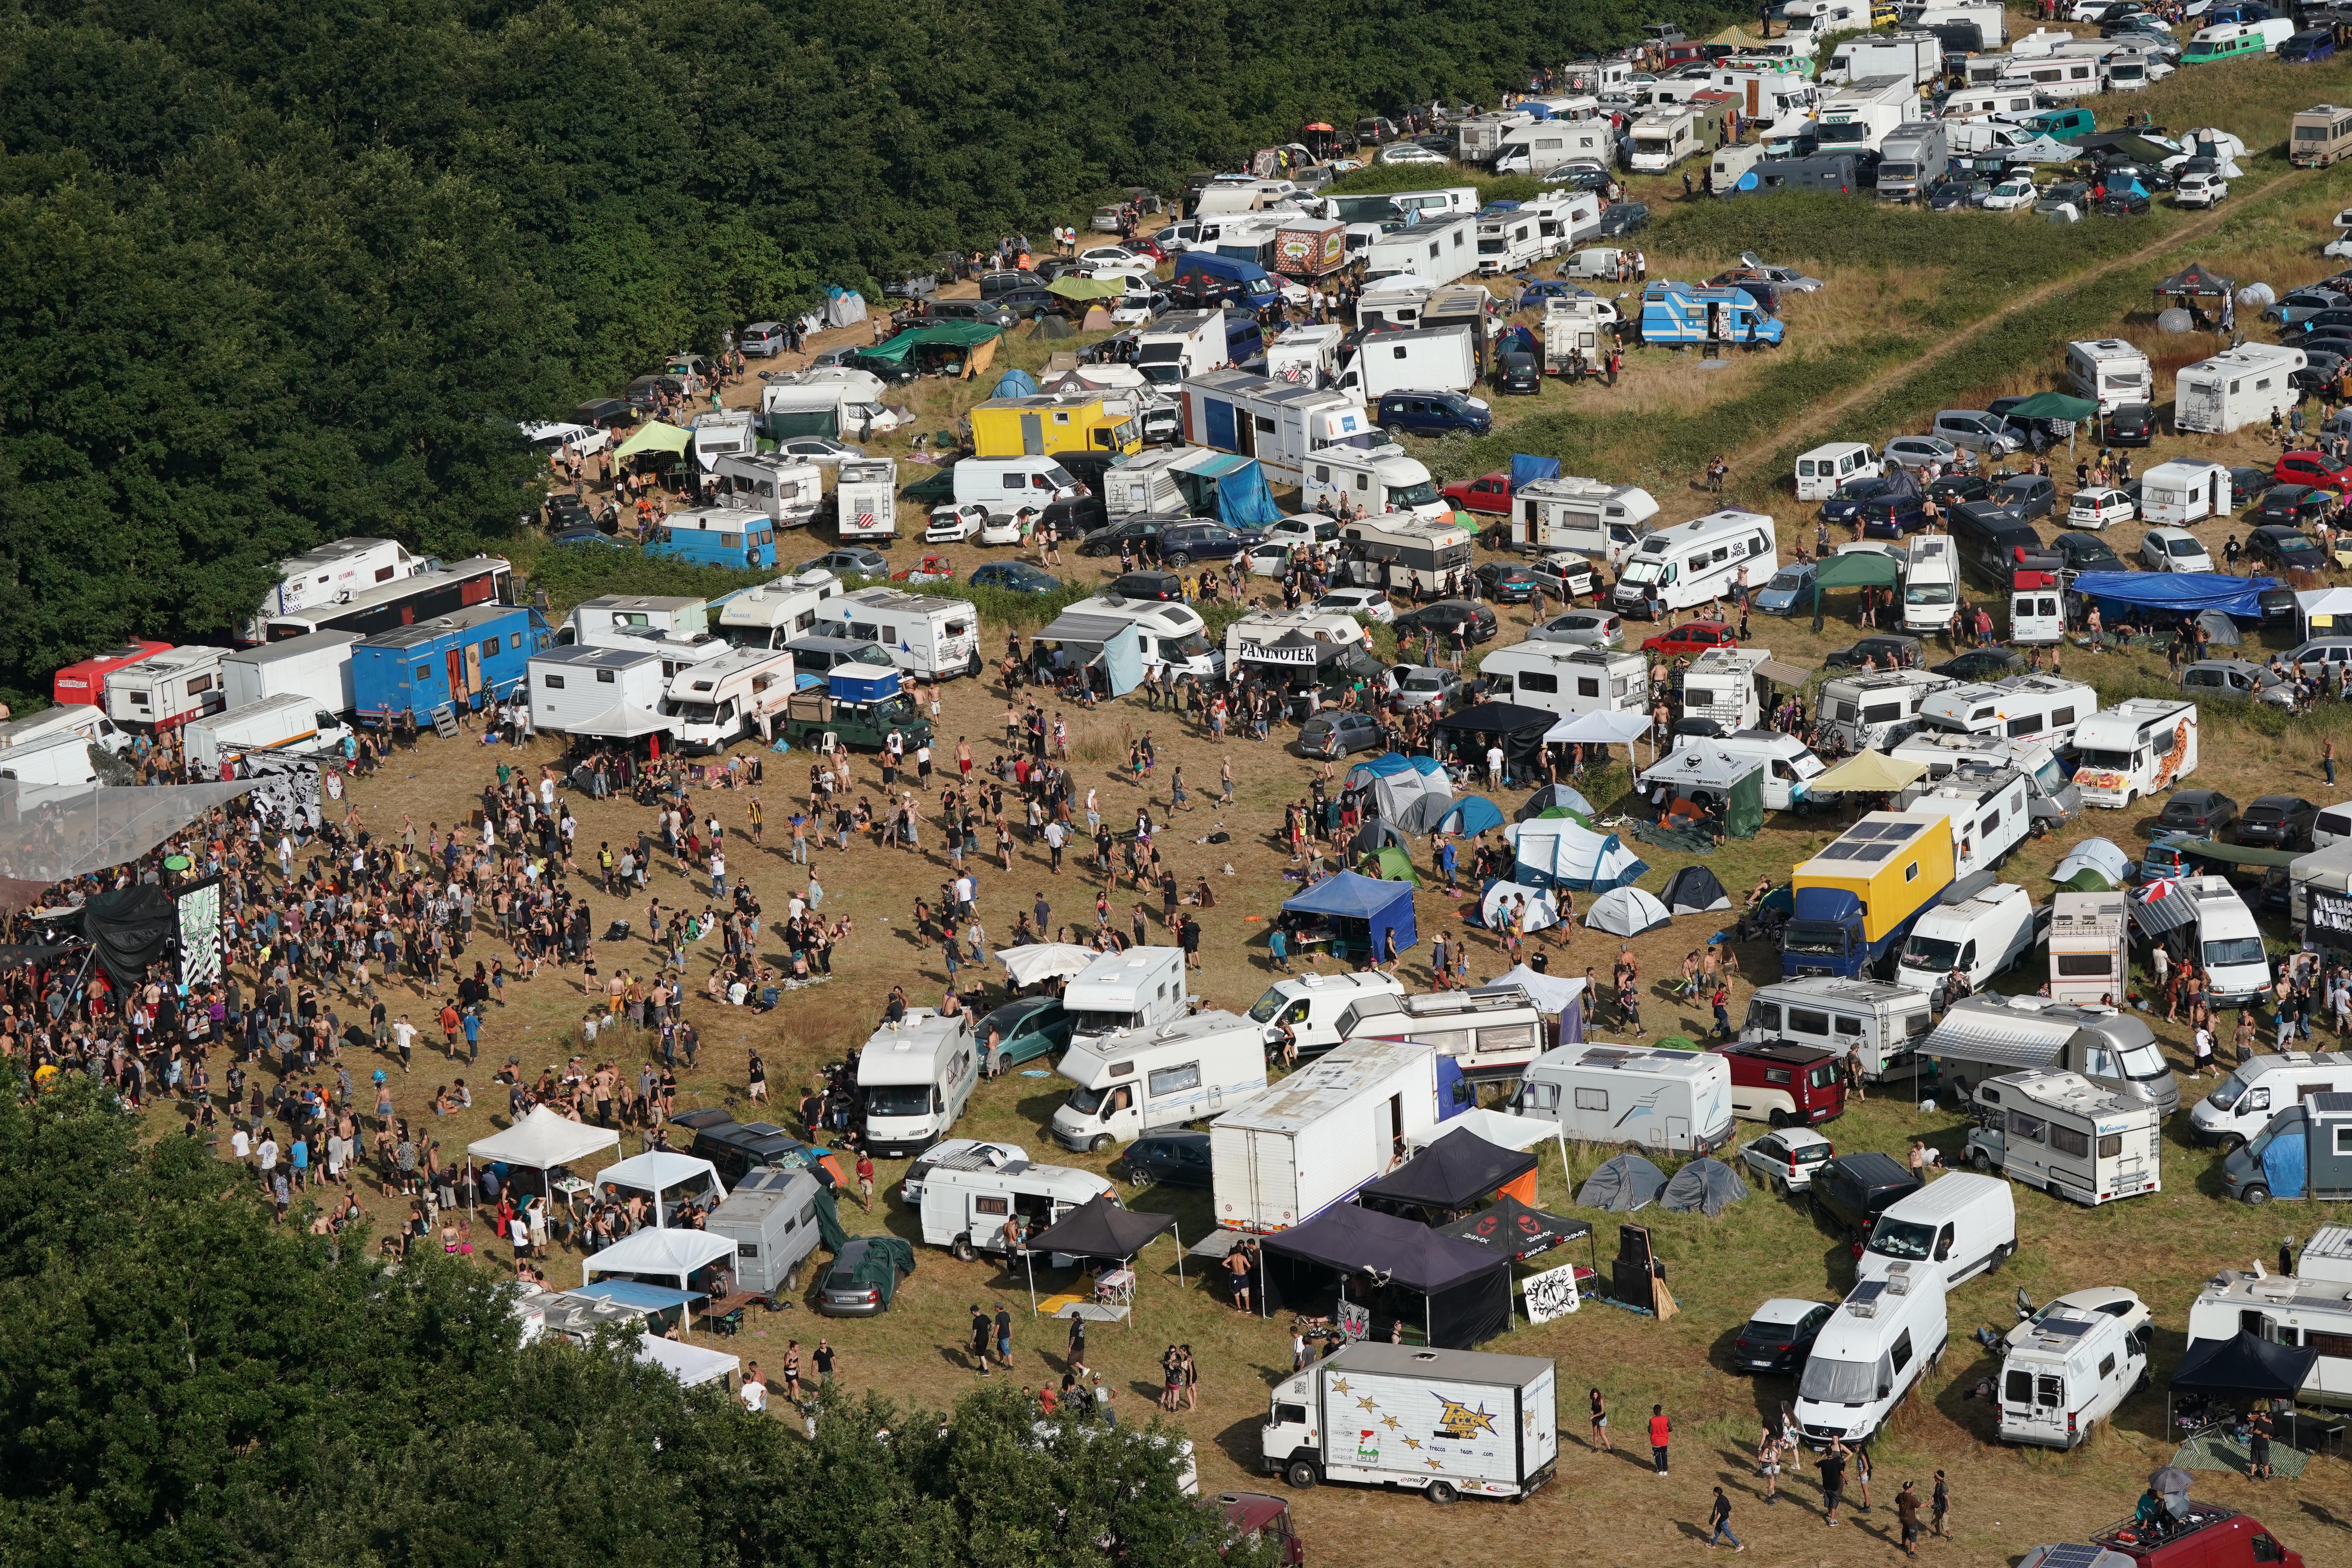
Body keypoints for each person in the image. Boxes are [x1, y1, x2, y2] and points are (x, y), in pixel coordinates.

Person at [1818, 1441, 1848, 1526]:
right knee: (1835, 1501)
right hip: (1834, 1485)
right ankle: (1832, 1520)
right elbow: (1842, 1473)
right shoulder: (1837, 1463)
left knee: (1828, 1499)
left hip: (1827, 1485)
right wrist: (1846, 1480)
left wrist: (1820, 1455)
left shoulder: (1823, 1463)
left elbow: (1815, 1464)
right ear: (1832, 1453)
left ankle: (1829, 1513)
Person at [1708, 1486, 1743, 1552]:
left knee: (1728, 1533)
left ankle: (1739, 1545)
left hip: (1722, 1521)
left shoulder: (1719, 1501)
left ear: (1716, 1493)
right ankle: (1713, 1544)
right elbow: (1727, 1509)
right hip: (1725, 1519)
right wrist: (1727, 1518)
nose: (1713, 1493)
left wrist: (1715, 1521)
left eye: (1714, 1492)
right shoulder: (1724, 1498)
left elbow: (1720, 1513)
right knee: (1717, 1531)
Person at [1896, 1479, 1922, 1557]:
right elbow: (1921, 1506)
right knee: (1913, 1535)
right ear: (1908, 1489)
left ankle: (1903, 1545)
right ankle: (1912, 1553)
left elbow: (1897, 1501)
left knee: (1905, 1531)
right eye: (1912, 1487)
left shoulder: (1900, 1495)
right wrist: (1929, 1502)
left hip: (1903, 1519)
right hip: (1911, 1520)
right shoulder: (1911, 1498)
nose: (1913, 1488)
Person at [1648, 1403, 1671, 1477]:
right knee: (1665, 1455)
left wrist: (1649, 1427)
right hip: (1664, 1440)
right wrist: (1665, 1432)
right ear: (1661, 1411)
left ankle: (1660, 1470)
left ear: (1654, 1411)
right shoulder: (1666, 1419)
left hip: (1656, 1441)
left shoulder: (1652, 1420)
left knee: (1657, 1455)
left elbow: (1650, 1431)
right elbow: (1671, 1429)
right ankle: (1665, 1470)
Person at [1589, 1387, 1611, 1452]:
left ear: (1598, 1394)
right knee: (1595, 1433)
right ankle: (1596, 1448)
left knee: (1602, 1434)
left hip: (1602, 1418)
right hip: (1596, 1419)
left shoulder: (1601, 1400)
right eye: (1594, 1395)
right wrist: (1591, 1410)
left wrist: (1593, 1416)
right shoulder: (1594, 1400)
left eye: (1596, 1395)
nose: (1595, 1397)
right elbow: (1594, 1406)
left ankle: (1609, 1449)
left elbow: (1602, 1412)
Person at [1931, 1470, 1950, 1538]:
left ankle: (1950, 1536)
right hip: (1938, 1507)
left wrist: (1948, 1509)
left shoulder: (1944, 1487)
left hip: (1944, 1508)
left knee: (1944, 1524)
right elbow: (1935, 1494)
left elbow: (1947, 1499)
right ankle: (1938, 1533)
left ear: (1938, 1478)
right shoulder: (1938, 1485)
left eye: (1935, 1477)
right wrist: (1931, 1500)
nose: (1934, 1478)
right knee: (1935, 1520)